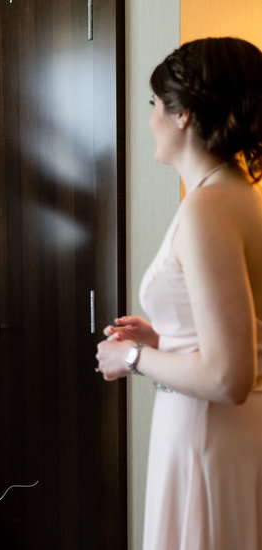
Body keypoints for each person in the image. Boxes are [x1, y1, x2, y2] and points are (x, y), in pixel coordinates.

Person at [96, 37, 262, 549]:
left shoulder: (208, 208)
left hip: (205, 436)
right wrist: (165, 338)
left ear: (183, 114)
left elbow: (229, 376)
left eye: (153, 105)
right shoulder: (236, 194)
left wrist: (132, 356)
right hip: (223, 432)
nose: (149, 118)